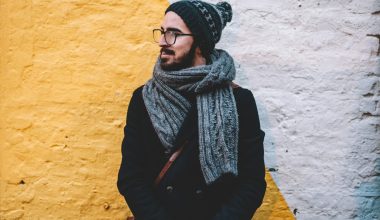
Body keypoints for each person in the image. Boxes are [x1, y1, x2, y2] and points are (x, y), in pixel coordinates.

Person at [117, 1, 266, 219]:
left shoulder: (240, 101)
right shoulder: (143, 99)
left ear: (200, 41)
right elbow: (130, 177)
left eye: (173, 34)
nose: (161, 41)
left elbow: (251, 182)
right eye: (162, 32)